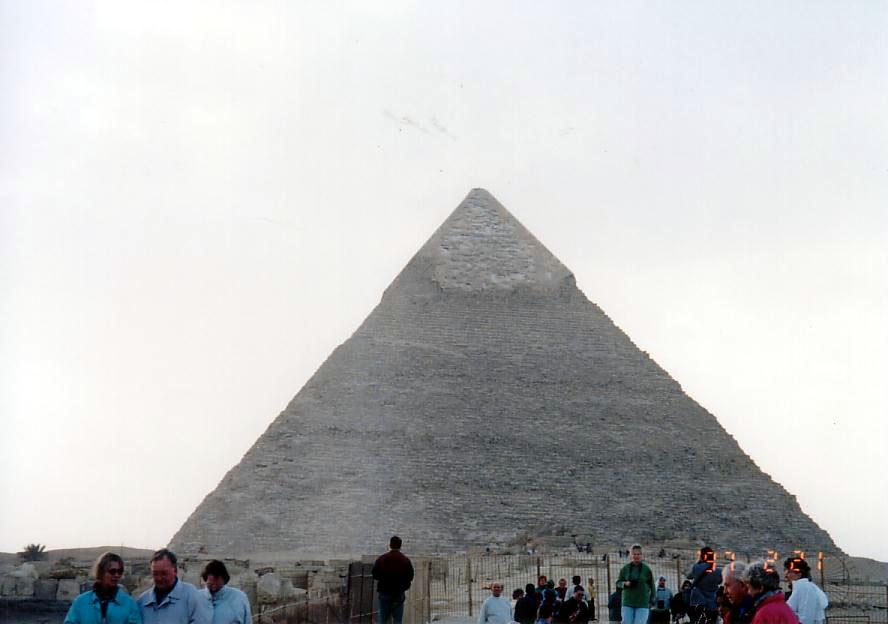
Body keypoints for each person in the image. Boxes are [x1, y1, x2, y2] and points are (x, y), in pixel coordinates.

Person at [64, 552, 141, 624]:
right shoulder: (81, 602)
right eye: (112, 571)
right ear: (101, 572)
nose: (117, 575)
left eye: (120, 571)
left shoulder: (129, 604)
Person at [137, 549, 211, 624]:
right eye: (155, 574)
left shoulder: (191, 595)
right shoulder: (143, 601)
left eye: (164, 573)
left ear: (175, 571)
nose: (159, 578)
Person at [372, 536, 415, 624]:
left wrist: (383, 580)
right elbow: (410, 576)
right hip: (398, 593)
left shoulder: (382, 559)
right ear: (400, 546)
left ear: (390, 545)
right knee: (397, 620)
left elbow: (375, 574)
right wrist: (404, 586)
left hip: (384, 592)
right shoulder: (405, 560)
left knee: (382, 619)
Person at [200, 560, 251, 624]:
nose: (214, 584)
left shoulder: (239, 597)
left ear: (224, 579)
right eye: (211, 581)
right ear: (206, 579)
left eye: (216, 581)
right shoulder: (196, 598)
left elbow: (247, 621)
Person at [616, 544, 655, 624]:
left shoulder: (646, 569)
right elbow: (618, 583)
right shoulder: (625, 569)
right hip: (628, 602)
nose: (636, 556)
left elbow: (652, 586)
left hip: (642, 603)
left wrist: (652, 600)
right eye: (634, 554)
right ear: (631, 555)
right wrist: (625, 583)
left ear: (641, 555)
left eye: (638, 554)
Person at [783, 557, 828, 624]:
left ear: (799, 574)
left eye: (788, 572)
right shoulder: (801, 588)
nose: (786, 576)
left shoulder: (805, 588)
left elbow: (806, 617)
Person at [687, 547, 722, 624]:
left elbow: (688, 576)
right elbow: (720, 581)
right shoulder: (718, 571)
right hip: (712, 605)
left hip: (698, 603)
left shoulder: (696, 567)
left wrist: (698, 562)